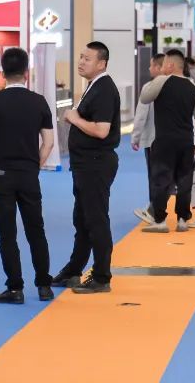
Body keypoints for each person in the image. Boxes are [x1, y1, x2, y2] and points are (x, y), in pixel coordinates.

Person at [0, 48, 55, 304]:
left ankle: (15, 288)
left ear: (3, 73)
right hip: (28, 174)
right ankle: (44, 286)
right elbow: (49, 142)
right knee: (36, 230)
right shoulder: (39, 101)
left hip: (1, 174)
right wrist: (35, 164)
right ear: (26, 72)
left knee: (7, 233)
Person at [53, 42, 121, 294]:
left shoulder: (104, 89)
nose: (81, 62)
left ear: (101, 63)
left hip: (95, 163)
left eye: (87, 59)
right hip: (85, 163)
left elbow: (101, 131)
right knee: (82, 220)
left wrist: (74, 118)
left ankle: (102, 277)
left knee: (95, 219)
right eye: (81, 57)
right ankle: (73, 270)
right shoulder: (94, 86)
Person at [139, 49, 195, 232]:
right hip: (186, 141)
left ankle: (160, 220)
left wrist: (158, 79)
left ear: (170, 65)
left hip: (164, 141)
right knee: (185, 180)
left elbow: (144, 98)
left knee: (161, 179)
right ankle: (182, 219)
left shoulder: (161, 81)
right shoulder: (194, 88)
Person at [132, 53, 165, 224]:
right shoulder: (180, 85)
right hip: (176, 140)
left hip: (153, 140)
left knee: (154, 176)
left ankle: (154, 210)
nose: (149, 68)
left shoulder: (150, 87)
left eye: (152, 65)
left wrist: (135, 137)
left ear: (159, 67)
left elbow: (141, 115)